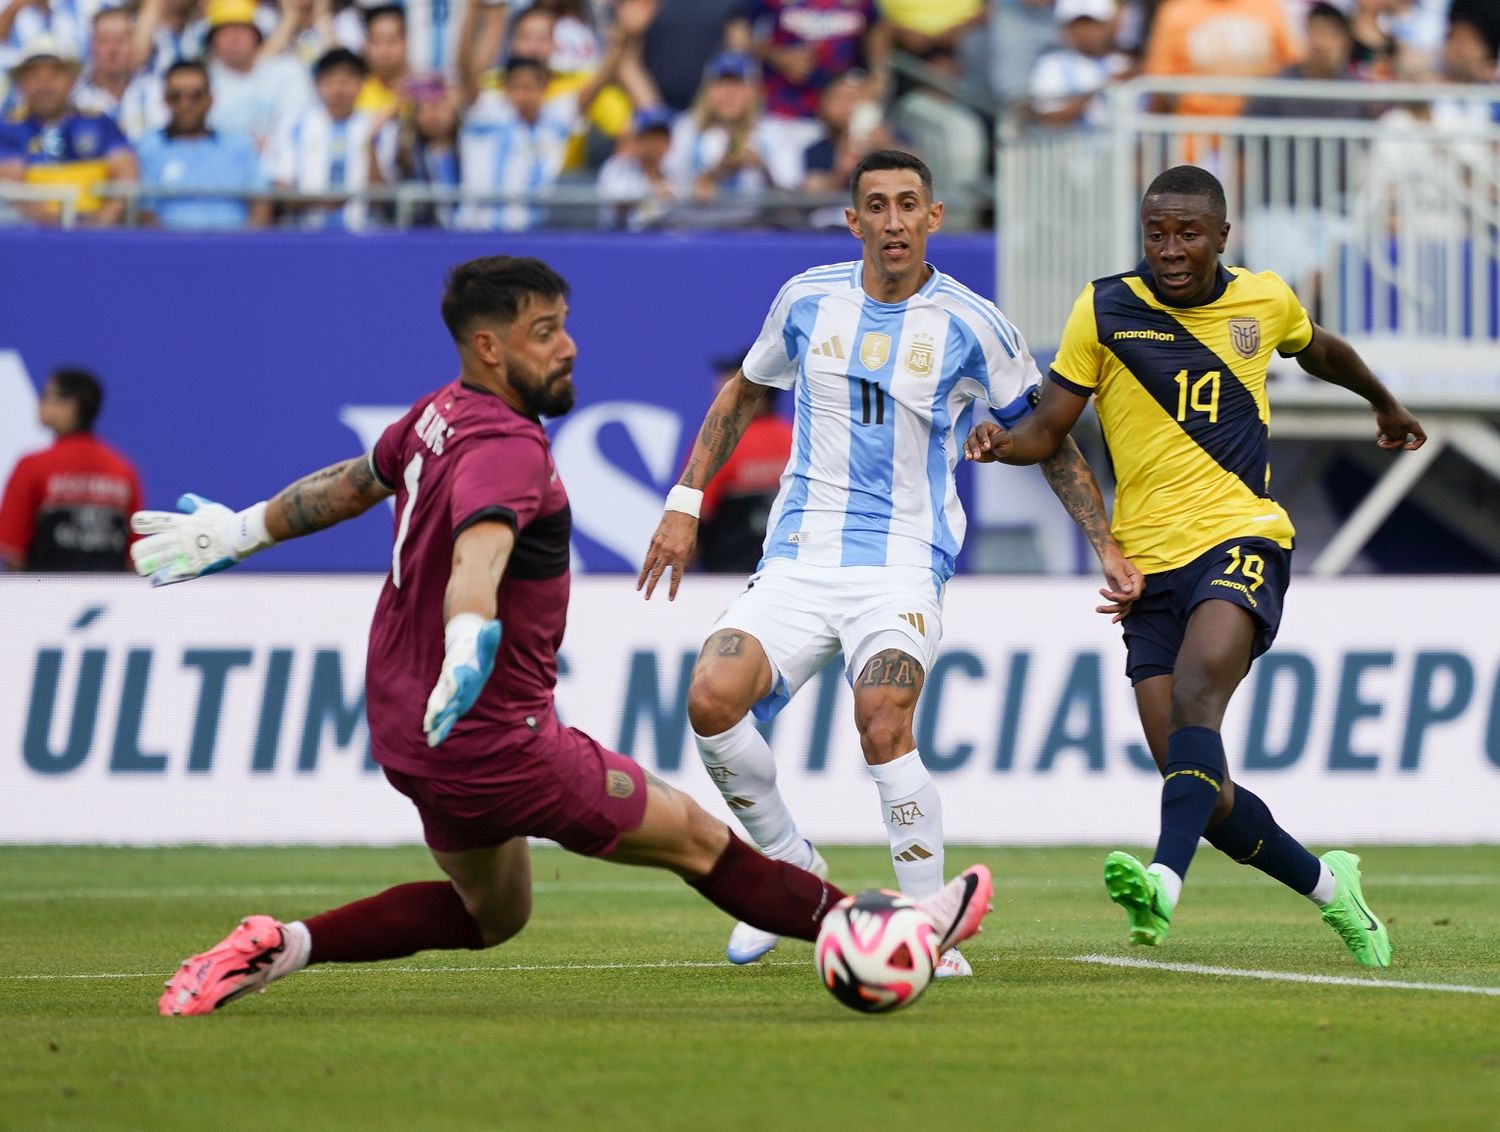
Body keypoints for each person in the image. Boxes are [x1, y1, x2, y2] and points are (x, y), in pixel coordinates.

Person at [131, 254, 992, 1016]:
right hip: (502, 740)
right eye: (546, 333)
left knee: (491, 915)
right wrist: (471, 636)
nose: (569, 346)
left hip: (409, 733)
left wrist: (240, 532)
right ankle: (884, 933)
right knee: (697, 842)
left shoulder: (436, 415)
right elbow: (482, 551)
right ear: (490, 349)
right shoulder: (511, 449)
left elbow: (352, 484)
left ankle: (278, 944)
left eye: (566, 326)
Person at [638, 150, 1135, 978]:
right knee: (710, 699)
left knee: (882, 718)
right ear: (854, 220)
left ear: (934, 218)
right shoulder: (805, 300)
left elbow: (1047, 434)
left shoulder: (974, 325)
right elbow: (744, 394)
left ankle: (922, 924)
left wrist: (1104, 543)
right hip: (798, 558)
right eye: (878, 205)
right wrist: (685, 505)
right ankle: (790, 866)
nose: (895, 220)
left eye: (910, 204)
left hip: (904, 563)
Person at [963, 165, 1426, 968]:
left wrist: (1382, 401)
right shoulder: (1104, 307)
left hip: (1241, 537)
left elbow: (1321, 350)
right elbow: (1049, 429)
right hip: (1148, 567)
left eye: (1187, 233)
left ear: (1221, 237)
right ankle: (1332, 889)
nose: (1170, 249)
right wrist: (1003, 446)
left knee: (1195, 698)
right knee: (1202, 790)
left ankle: (1161, 884)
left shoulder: (1263, 299)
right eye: (1156, 232)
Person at [0, 368, 143, 572]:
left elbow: (14, 554)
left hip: (44, 599)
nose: (40, 403)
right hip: (109, 599)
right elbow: (134, 557)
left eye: (46, 395)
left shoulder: (32, 466)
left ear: (70, 407)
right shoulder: (123, 469)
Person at [0, 35, 138, 225]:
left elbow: (126, 173)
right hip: (34, 236)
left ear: (70, 81)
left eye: (53, 76)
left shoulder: (99, 123)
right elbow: (11, 188)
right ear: (21, 84)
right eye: (35, 77)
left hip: (97, 233)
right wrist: (58, 224)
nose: (44, 85)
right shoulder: (8, 129)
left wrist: (101, 219)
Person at [136, 58, 270, 229]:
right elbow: (145, 213)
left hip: (234, 248)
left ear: (210, 99)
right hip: (172, 249)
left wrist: (246, 250)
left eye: (195, 96)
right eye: (176, 96)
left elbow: (261, 204)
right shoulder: (146, 149)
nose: (185, 104)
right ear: (165, 100)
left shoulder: (240, 146)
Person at [693, 349, 792, 573]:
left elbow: (695, 516)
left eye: (731, 384)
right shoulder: (798, 438)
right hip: (784, 572)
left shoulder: (719, 443)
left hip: (726, 575)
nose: (718, 389)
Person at [265, 47, 379, 230]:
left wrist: (371, 142)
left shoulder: (375, 125)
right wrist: (319, 202)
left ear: (362, 84)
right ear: (317, 84)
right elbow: (281, 188)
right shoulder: (294, 125)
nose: (339, 89)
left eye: (347, 80)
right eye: (331, 80)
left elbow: (383, 197)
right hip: (305, 235)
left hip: (363, 236)